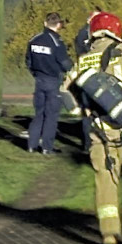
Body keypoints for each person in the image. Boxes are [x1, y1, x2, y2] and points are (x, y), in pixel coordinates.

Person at [64, 11, 122, 244]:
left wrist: (79, 112)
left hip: (99, 132)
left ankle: (108, 234)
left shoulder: (84, 59)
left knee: (105, 180)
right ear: (117, 31)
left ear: (92, 33)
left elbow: (64, 92)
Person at [25, 12, 73, 154]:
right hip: (53, 81)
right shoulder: (57, 42)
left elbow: (28, 61)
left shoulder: (34, 40)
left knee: (39, 113)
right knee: (51, 115)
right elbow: (65, 63)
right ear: (58, 25)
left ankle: (31, 145)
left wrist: (35, 74)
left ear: (45, 23)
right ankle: (47, 147)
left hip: (39, 80)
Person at [73, 7, 102, 152]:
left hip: (99, 78)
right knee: (88, 112)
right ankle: (88, 144)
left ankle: (98, 142)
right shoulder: (84, 34)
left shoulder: (101, 34)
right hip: (88, 78)